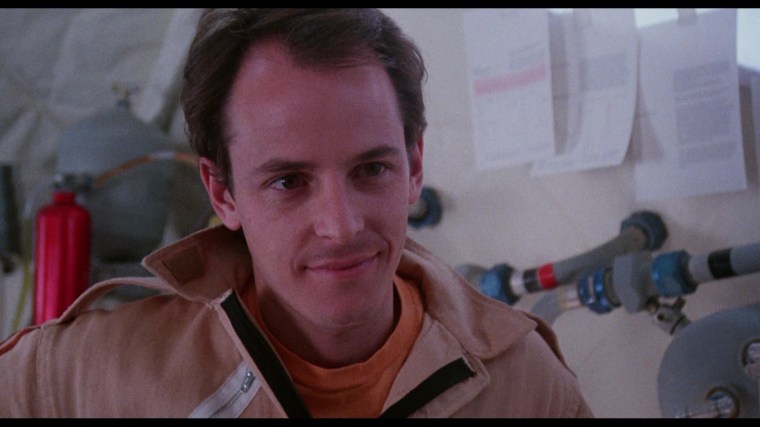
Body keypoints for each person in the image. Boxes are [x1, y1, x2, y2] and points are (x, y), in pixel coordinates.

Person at [0, 9, 593, 418]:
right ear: (223, 194)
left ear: (414, 166)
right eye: (288, 182)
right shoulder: (92, 374)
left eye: (371, 169)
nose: (342, 226)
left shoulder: (523, 386)